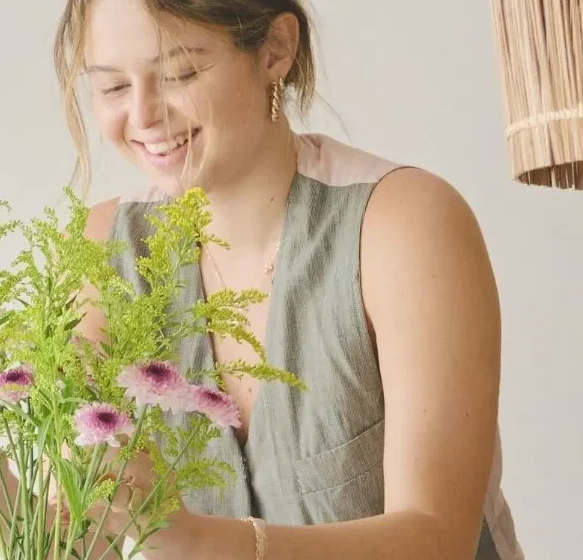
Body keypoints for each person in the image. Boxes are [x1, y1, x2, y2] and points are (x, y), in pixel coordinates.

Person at [52, 1, 525, 559]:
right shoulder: (105, 247)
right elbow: (86, 523)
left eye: (179, 73)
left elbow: (438, 539)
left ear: (276, 48)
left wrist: (195, 540)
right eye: (111, 88)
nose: (142, 115)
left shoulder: (402, 223)